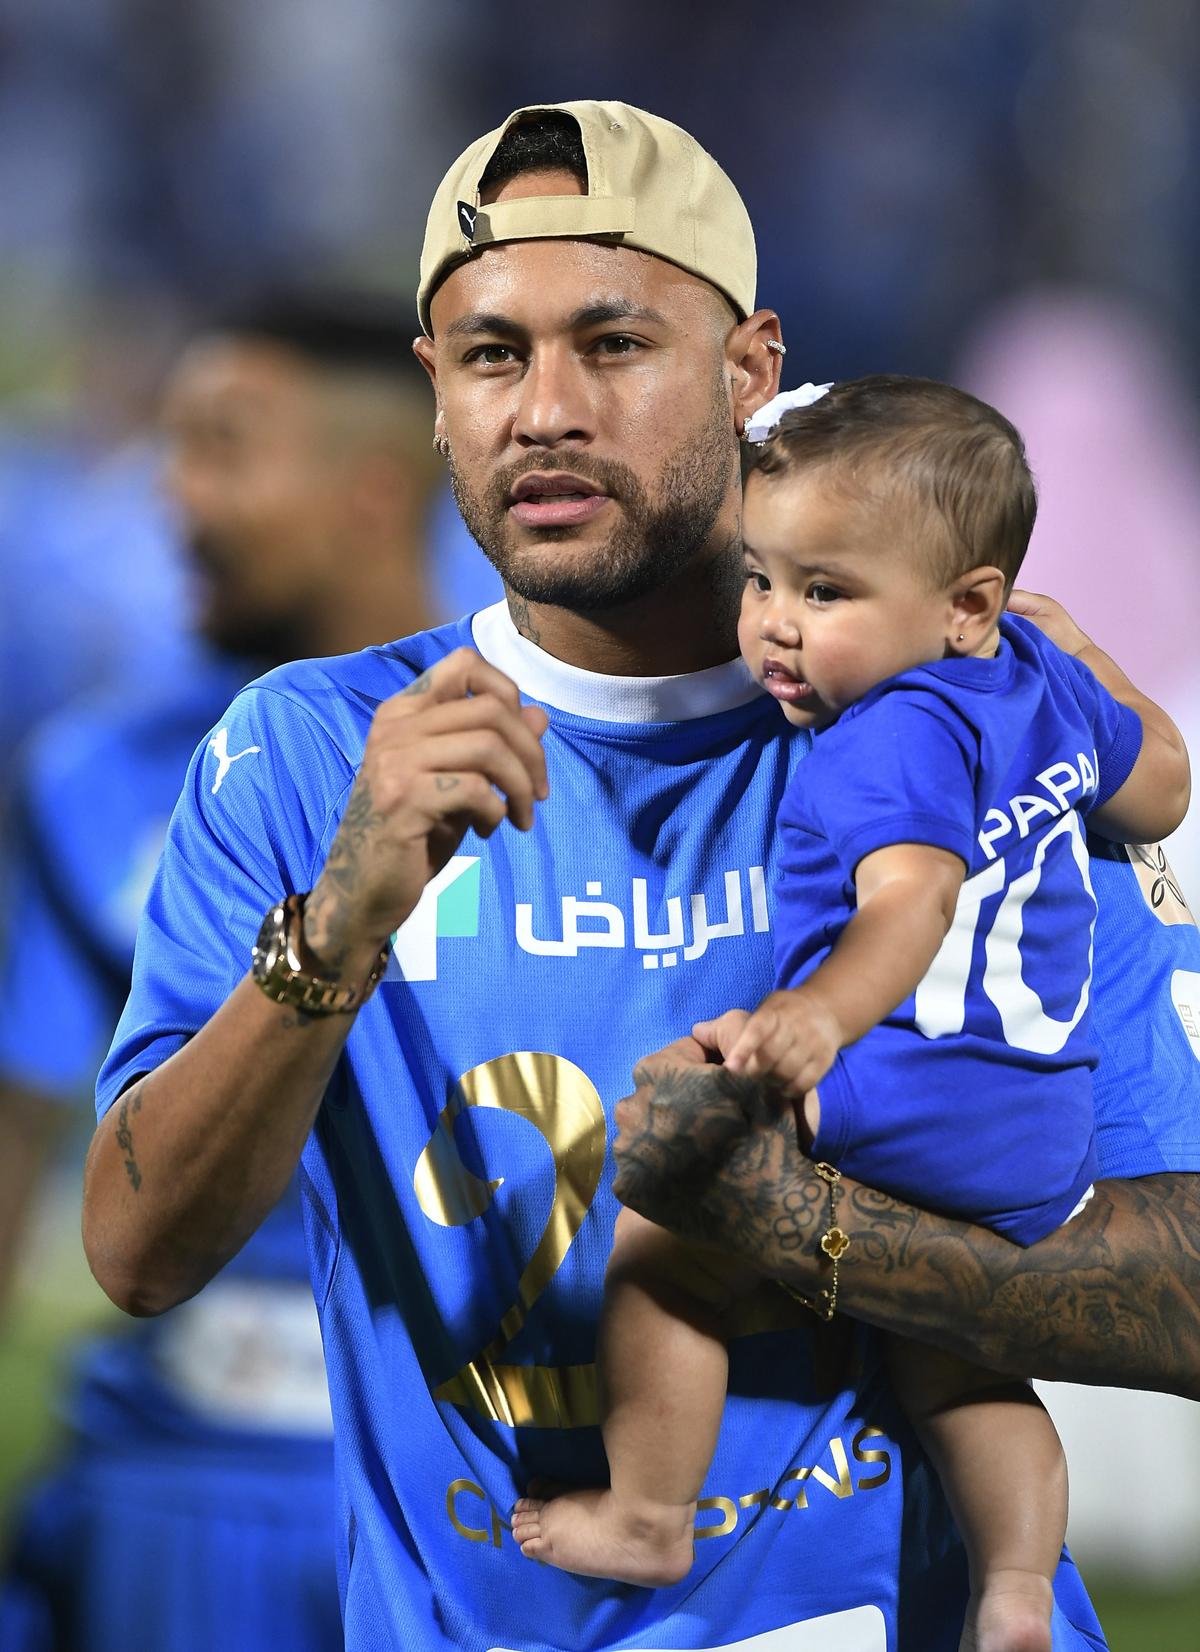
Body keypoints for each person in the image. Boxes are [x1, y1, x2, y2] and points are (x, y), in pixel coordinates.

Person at [78, 99, 1194, 1651]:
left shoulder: (965, 708)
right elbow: (136, 1255)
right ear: (434, 396)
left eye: (611, 344)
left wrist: (802, 1229)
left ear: (750, 370)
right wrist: (336, 927)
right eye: (491, 355)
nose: (543, 409)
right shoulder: (307, 751)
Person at [509, 374, 1189, 1652]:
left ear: (967, 604)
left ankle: (652, 1510)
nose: (772, 626)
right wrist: (1090, 655)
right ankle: (1015, 1588)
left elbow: (912, 900)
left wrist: (819, 1019)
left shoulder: (886, 737)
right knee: (960, 1363)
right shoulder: (1038, 678)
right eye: (762, 577)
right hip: (1041, 1131)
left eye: (824, 593)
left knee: (666, 1230)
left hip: (904, 1092)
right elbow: (1161, 790)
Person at [0, 289, 445, 1651]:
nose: (174, 501)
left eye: (223, 450)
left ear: (371, 489)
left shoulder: (576, 754)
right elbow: (13, 1139)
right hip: (175, 1487)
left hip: (479, 1482)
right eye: (172, 450)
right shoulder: (94, 778)